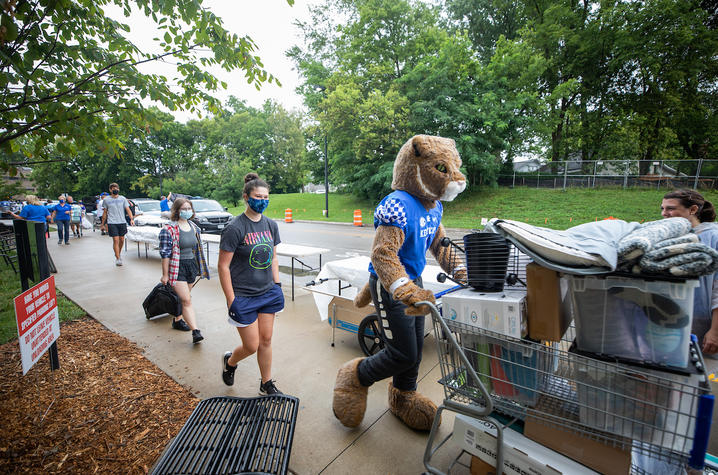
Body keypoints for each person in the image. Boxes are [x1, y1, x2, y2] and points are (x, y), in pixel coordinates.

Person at [219, 173, 284, 395]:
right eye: (258, 196)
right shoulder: (235, 227)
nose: (263, 201)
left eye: (266, 197)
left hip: (267, 292)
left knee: (266, 340)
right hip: (243, 296)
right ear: (246, 197)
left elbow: (274, 258)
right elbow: (223, 266)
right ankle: (230, 362)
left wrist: (277, 285)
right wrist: (231, 300)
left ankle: (266, 383)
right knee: (251, 345)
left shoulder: (271, 225)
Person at [661, 189, 718, 355]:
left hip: (703, 320)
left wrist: (715, 331)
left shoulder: (712, 237)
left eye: (670, 208)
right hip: (674, 316)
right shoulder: (672, 236)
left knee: (700, 369)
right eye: (662, 209)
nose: (665, 214)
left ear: (693, 210)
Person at [158, 198, 209, 344]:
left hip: (191, 265)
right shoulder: (168, 229)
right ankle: (195, 331)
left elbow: (197, 249)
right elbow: (165, 254)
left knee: (185, 298)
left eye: (189, 208)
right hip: (177, 267)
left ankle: (177, 320)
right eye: (184, 209)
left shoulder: (194, 227)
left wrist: (200, 267)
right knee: (186, 300)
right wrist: (165, 275)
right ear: (176, 210)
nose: (187, 211)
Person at [101, 183, 134, 266]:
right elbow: (105, 212)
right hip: (112, 222)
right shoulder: (106, 200)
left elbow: (128, 209)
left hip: (122, 221)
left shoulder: (122, 198)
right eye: (112, 188)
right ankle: (118, 258)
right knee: (116, 240)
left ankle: (118, 253)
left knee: (122, 239)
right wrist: (103, 223)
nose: (114, 189)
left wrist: (131, 219)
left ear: (118, 189)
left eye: (116, 188)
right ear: (110, 190)